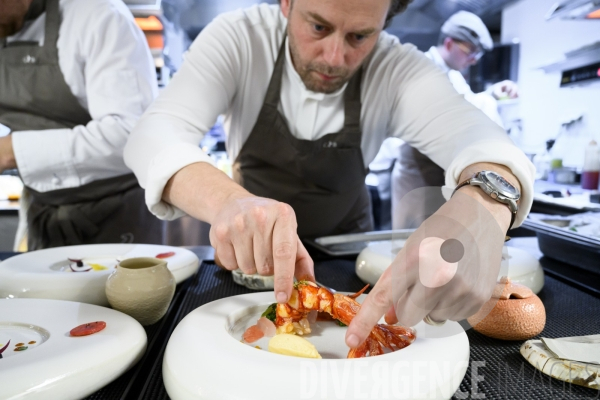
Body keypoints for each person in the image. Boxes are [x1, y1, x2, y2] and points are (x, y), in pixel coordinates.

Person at [124, 0, 535, 350]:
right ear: (286, 3)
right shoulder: (239, 39)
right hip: (254, 262)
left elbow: (483, 140)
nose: (334, 58)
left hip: (348, 257)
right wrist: (231, 203)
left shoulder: (396, 69)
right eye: (318, 26)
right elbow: (153, 135)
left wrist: (484, 206)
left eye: (360, 37)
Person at [0, 0, 163, 250]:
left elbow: (131, 136)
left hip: (116, 217)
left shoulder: (100, 16)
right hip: (43, 216)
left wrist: (11, 151)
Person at [392, 10, 520, 229]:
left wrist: (492, 93)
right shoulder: (421, 67)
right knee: (413, 242)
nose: (473, 60)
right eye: (470, 52)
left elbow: (468, 104)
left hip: (438, 172)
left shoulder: (453, 75)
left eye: (477, 55)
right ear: (450, 43)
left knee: (435, 243)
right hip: (417, 173)